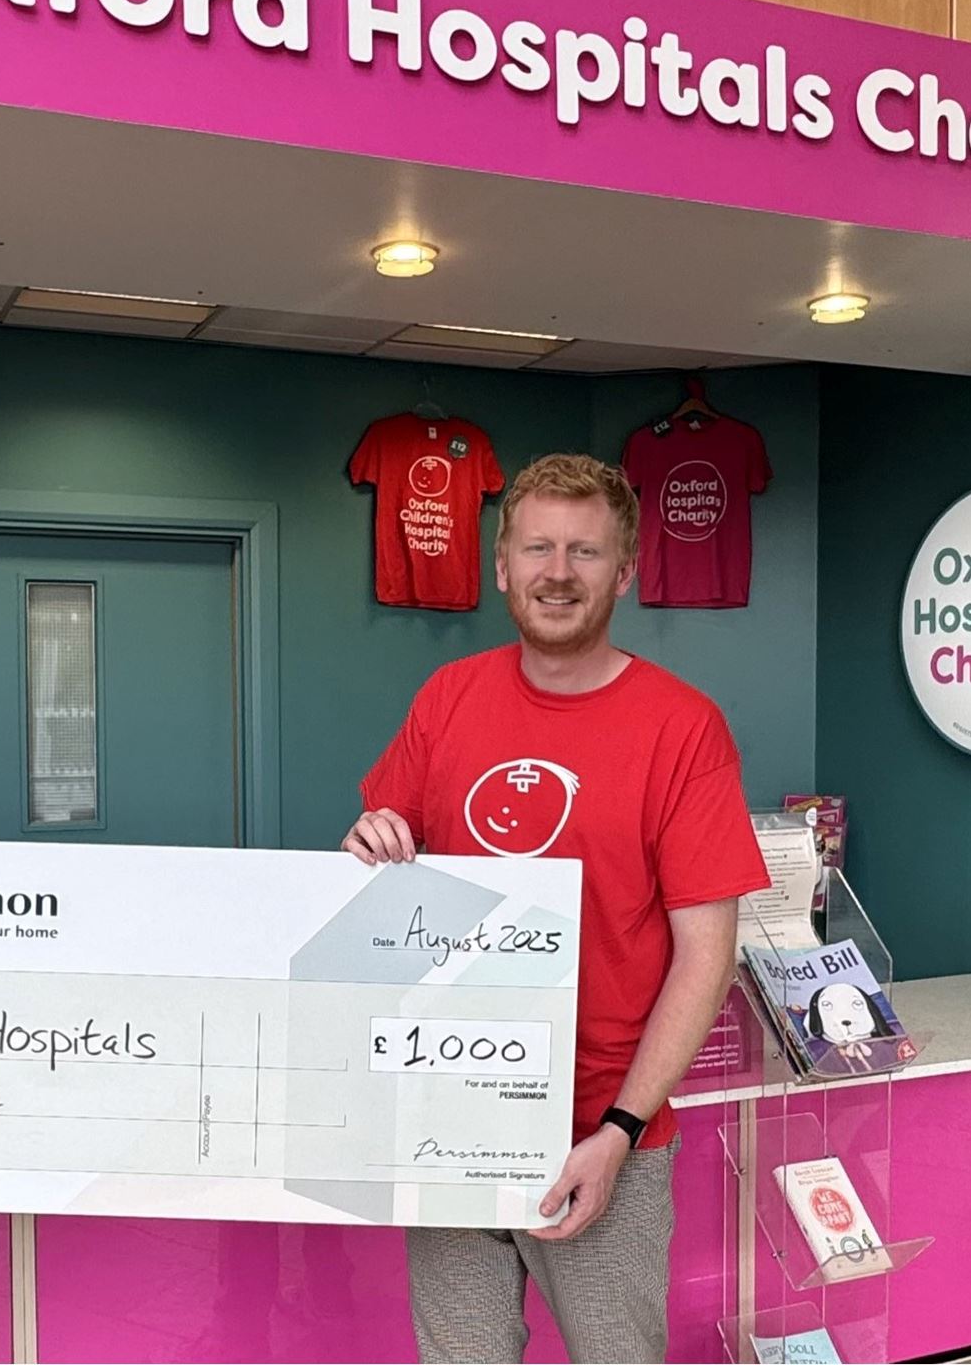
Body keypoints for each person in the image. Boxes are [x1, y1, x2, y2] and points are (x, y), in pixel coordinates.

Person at [343, 452, 770, 1363]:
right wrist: (372, 842)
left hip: (601, 1133)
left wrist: (620, 1131)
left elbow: (707, 954)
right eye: (538, 548)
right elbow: (386, 869)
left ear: (625, 572)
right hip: (453, 1115)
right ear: (502, 568)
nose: (558, 572)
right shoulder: (448, 699)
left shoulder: (682, 727)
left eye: (585, 551)